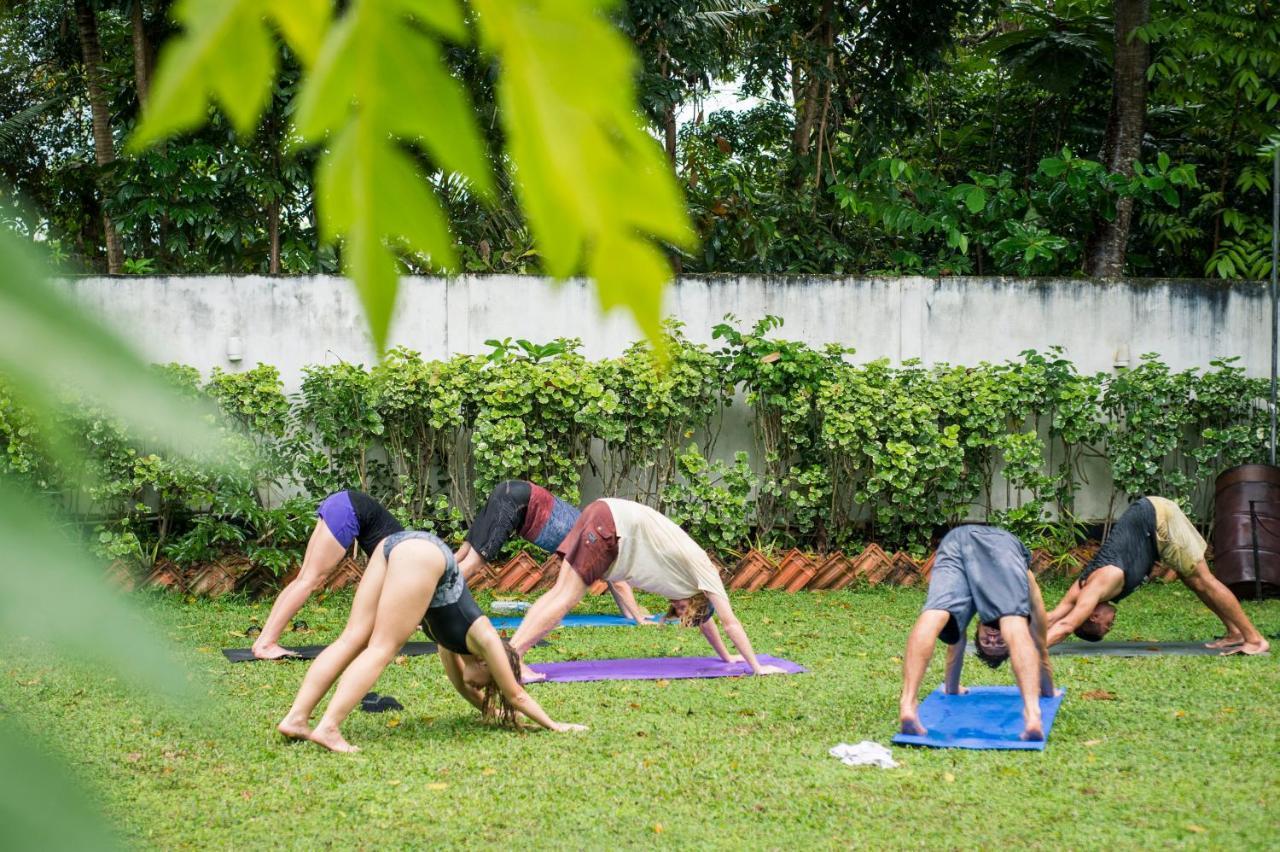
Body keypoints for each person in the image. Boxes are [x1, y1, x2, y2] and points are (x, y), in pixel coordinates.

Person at [276, 529, 586, 753]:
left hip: (396, 545)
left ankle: (296, 718)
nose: (483, 689)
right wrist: (555, 725)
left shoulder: (449, 645)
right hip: (423, 554)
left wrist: (492, 711)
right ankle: (328, 727)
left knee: (353, 639)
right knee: (382, 648)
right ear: (485, 662)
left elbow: (464, 688)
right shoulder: (486, 638)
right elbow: (516, 694)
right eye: (490, 682)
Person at [508, 498, 788, 681]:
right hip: (612, 525)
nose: (677, 610)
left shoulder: (687, 586)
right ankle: (515, 659)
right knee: (565, 599)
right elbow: (729, 622)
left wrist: (727, 657)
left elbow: (706, 622)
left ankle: (510, 654)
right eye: (683, 610)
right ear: (699, 599)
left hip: (601, 511)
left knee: (558, 593)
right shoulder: (705, 572)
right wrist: (757, 666)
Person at [1045, 497, 1269, 655]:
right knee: (1191, 580)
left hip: (1157, 517)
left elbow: (1065, 626)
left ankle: (1254, 639)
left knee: (1203, 580)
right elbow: (1054, 617)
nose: (1112, 624)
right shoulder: (1081, 587)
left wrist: (1027, 652)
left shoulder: (1096, 587)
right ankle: (1235, 632)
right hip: (1151, 523)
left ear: (1093, 617)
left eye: (1107, 626)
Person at [898, 525, 1057, 741]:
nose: (993, 637)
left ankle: (908, 704)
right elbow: (1039, 646)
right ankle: (1032, 714)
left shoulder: (967, 615)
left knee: (936, 612)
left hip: (957, 541)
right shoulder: (1026, 584)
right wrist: (1048, 691)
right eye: (998, 643)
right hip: (1001, 543)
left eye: (988, 642)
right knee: (1013, 619)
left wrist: (952, 689)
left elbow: (956, 644)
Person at [456, 479, 650, 621]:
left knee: (462, 555)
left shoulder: (601, 532)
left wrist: (630, 613)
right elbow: (620, 584)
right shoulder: (607, 541)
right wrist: (639, 619)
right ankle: (429, 606)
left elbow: (615, 582)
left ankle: (428, 595)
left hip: (509, 491)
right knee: (474, 563)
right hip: (518, 500)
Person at [253, 489, 402, 660]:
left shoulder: (407, 554)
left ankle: (262, 641)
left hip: (341, 502)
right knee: (311, 580)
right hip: (349, 510)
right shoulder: (408, 565)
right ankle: (266, 644)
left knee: (304, 578)